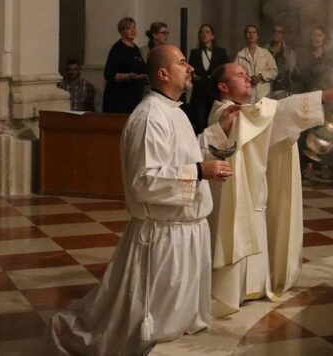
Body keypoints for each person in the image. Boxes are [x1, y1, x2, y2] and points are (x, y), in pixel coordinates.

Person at [51, 45, 239, 356]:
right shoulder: (150, 117)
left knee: (179, 323)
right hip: (163, 239)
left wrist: (217, 132)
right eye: (182, 63)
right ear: (163, 74)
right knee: (152, 323)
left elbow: (185, 153)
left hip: (187, 233)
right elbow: (145, 181)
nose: (190, 68)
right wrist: (199, 172)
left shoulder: (174, 111)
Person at [203, 62, 333, 316]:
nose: (247, 79)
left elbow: (270, 123)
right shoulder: (227, 113)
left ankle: (255, 287)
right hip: (236, 198)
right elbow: (277, 114)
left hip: (253, 195)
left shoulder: (244, 113)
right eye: (240, 75)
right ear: (223, 86)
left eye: (247, 75)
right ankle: (232, 291)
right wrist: (321, 98)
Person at [187, 24, 230, 133]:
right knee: (200, 123)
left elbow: (227, 70)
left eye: (207, 32)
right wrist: (194, 77)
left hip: (215, 94)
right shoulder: (194, 53)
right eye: (201, 32)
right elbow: (190, 70)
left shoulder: (221, 53)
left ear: (212, 36)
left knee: (215, 123)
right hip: (199, 94)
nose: (203, 34)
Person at [102, 17, 147, 113]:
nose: (133, 31)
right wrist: (128, 76)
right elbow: (109, 74)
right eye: (128, 28)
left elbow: (142, 68)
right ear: (122, 31)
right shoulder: (117, 49)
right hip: (119, 98)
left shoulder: (136, 49)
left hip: (134, 97)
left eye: (134, 27)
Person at [235, 25, 278, 103]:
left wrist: (261, 76)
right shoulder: (240, 55)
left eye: (254, 32)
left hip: (264, 96)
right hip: (248, 97)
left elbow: (274, 72)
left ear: (257, 36)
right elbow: (236, 76)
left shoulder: (265, 53)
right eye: (249, 32)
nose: (251, 35)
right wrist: (248, 79)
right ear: (245, 36)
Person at [266, 24, 295, 94]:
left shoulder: (288, 50)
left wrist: (286, 58)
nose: (276, 34)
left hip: (283, 86)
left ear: (282, 35)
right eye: (275, 32)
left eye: (279, 32)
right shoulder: (266, 50)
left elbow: (291, 69)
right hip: (268, 85)